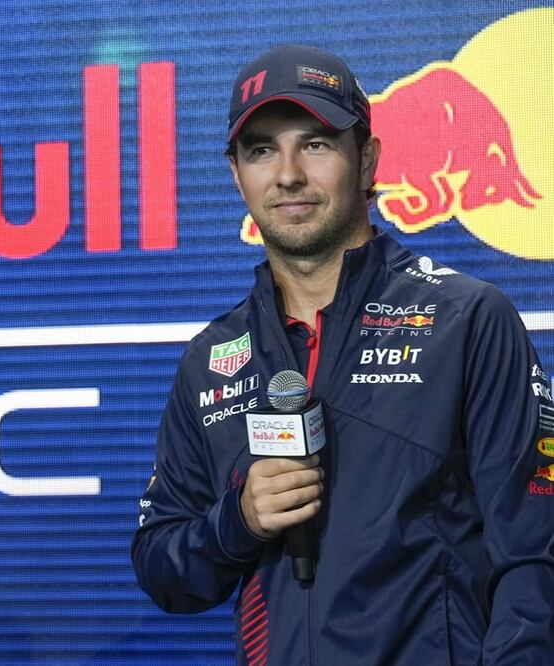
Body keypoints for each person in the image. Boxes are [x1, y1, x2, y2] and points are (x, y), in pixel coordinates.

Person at [132, 44, 554, 664]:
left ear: (367, 160)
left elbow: (534, 556)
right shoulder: (211, 358)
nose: (288, 175)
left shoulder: (466, 319)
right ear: (236, 175)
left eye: (316, 144)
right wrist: (238, 521)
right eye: (261, 151)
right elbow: (162, 567)